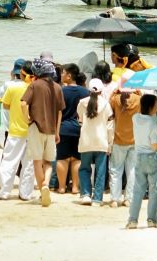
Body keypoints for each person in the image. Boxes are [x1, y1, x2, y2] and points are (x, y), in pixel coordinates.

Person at [21, 59, 64, 207]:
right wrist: (57, 132)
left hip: (35, 127)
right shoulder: (57, 87)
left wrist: (26, 119)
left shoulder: (34, 85)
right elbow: (59, 113)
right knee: (48, 162)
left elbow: (23, 103)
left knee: (37, 162)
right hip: (51, 129)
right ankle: (45, 184)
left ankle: (42, 189)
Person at [0, 61, 34, 201]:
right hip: (31, 130)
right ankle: (25, 193)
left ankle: (5, 191)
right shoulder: (34, 87)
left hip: (15, 130)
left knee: (9, 161)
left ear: (21, 73)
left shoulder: (12, 87)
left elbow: (6, 106)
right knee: (28, 164)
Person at [127, 94, 157, 229]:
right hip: (152, 157)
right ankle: (152, 219)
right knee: (154, 189)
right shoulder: (153, 122)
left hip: (139, 156)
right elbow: (154, 145)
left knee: (138, 190)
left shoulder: (135, 118)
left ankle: (132, 220)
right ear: (152, 106)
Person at [77, 78, 112, 206]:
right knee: (100, 171)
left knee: (85, 169)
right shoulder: (106, 104)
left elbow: (80, 119)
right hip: (101, 141)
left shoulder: (82, 103)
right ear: (102, 90)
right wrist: (110, 143)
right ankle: (97, 198)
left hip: (86, 140)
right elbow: (110, 125)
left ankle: (85, 194)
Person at [57, 64, 88, 195]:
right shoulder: (85, 92)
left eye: (63, 73)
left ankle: (62, 187)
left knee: (62, 158)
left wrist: (55, 130)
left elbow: (57, 111)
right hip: (79, 129)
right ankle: (75, 187)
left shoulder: (61, 91)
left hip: (64, 128)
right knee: (76, 158)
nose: (61, 75)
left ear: (69, 76)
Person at [110, 87, 142, 208]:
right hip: (134, 139)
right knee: (132, 170)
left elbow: (108, 109)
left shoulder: (116, 99)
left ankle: (114, 199)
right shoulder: (139, 99)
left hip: (119, 139)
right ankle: (129, 198)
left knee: (115, 169)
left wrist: (114, 92)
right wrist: (140, 92)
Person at [0, 58, 27, 137]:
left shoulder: (8, 84)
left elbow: (0, 95)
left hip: (10, 126)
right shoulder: (28, 85)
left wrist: (11, 78)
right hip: (25, 126)